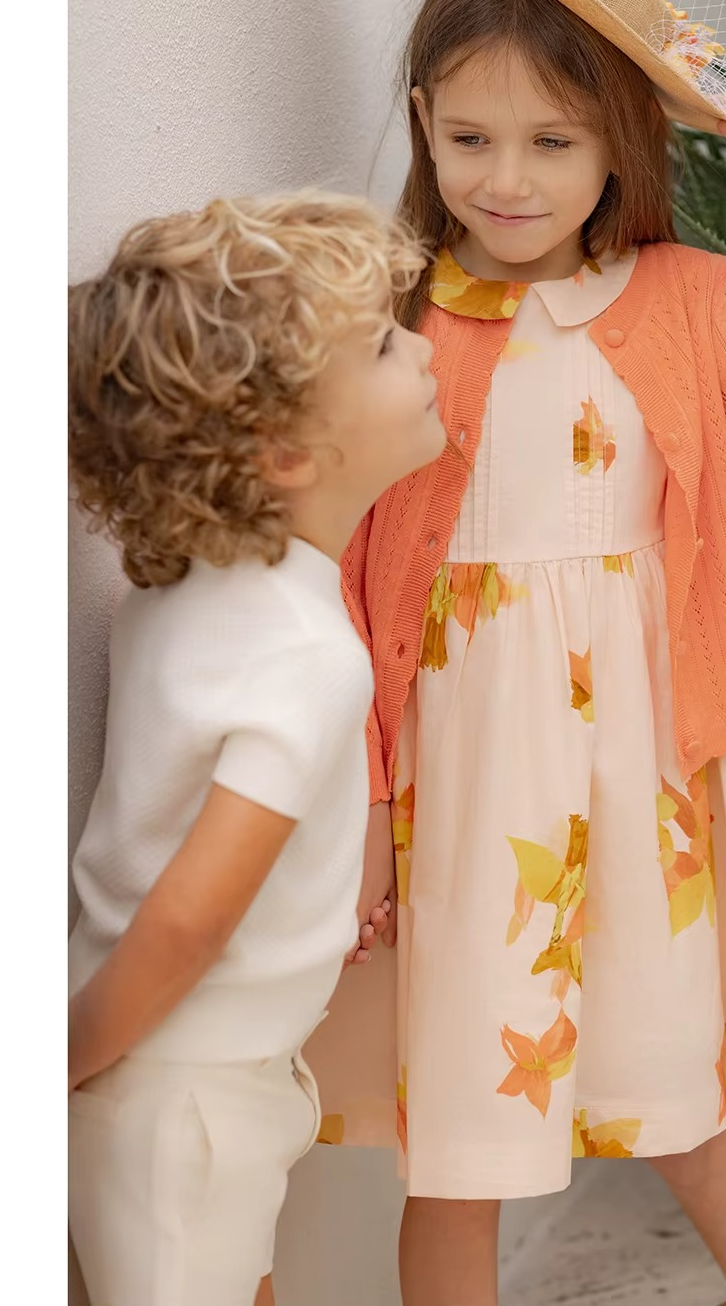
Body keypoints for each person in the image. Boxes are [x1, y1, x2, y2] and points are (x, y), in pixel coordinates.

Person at [308, 0, 726, 1306]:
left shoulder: (692, 303)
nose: (506, 180)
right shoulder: (391, 317)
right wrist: (364, 810)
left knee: (675, 1102)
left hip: (643, 771)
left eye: (552, 142)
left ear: (622, 144)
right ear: (421, 123)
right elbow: (340, 571)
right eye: (470, 137)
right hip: (460, 782)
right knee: (460, 1140)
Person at [66, 191, 443, 1306]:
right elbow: (189, 916)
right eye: (384, 346)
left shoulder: (178, 588)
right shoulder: (307, 655)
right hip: (184, 1085)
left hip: (197, 1071)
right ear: (285, 453)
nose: (423, 348)